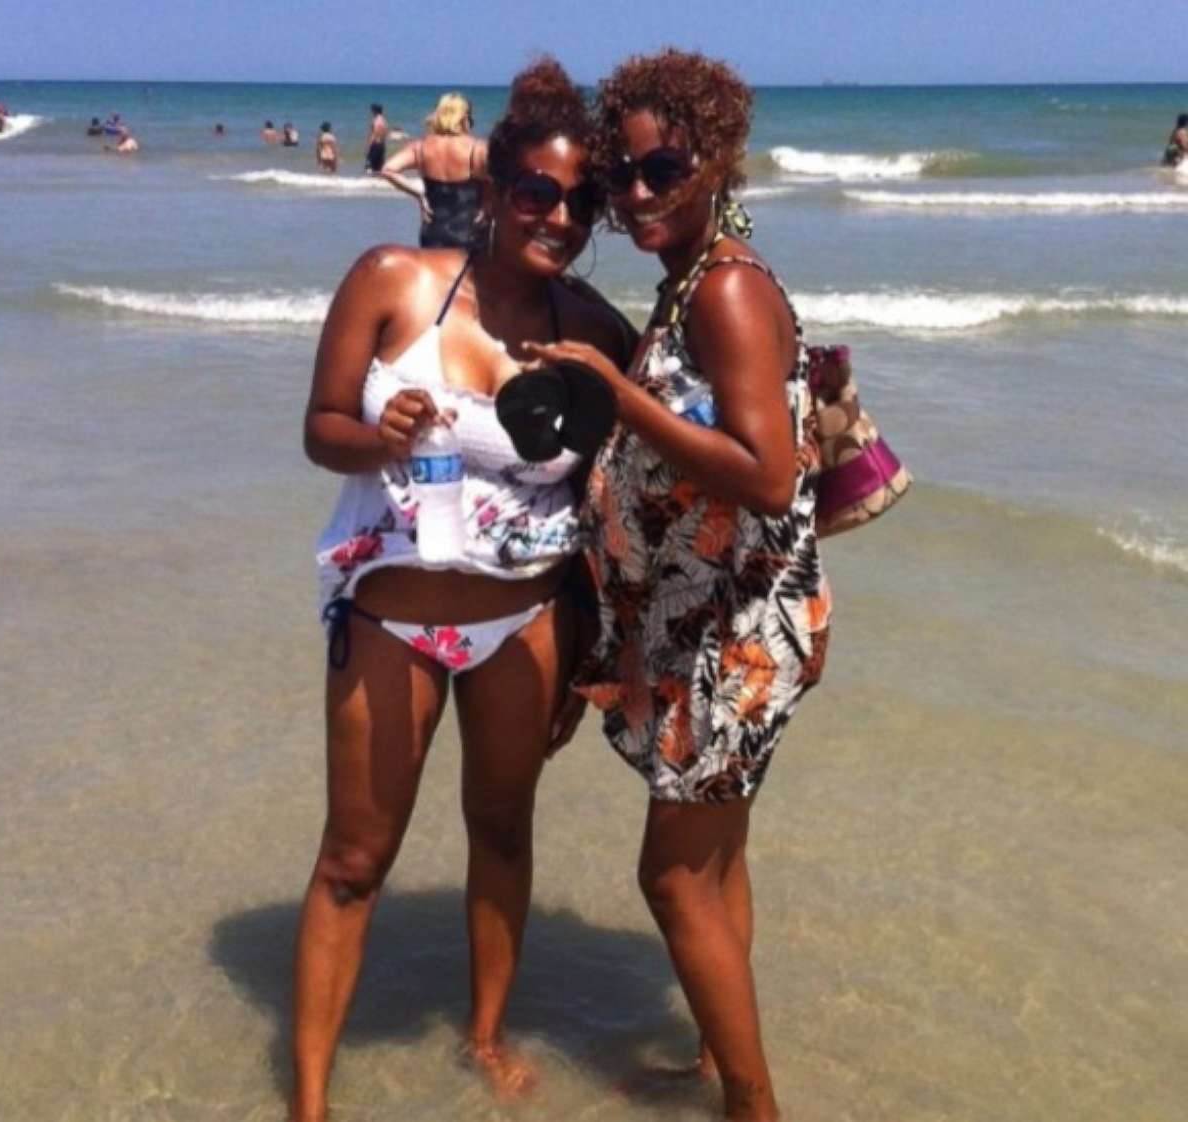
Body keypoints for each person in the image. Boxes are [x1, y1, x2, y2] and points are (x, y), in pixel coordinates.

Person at [291, 58, 633, 1122]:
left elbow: (616, 488)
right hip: (393, 622)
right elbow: (320, 431)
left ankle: (484, 1036)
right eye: (535, 192)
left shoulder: (595, 331)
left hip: (525, 622)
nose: (557, 216)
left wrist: (601, 652)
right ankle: (308, 1098)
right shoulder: (392, 278)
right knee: (354, 857)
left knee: (504, 832)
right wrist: (376, 430)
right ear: (493, 190)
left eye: (580, 201)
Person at [522, 49, 831, 1122]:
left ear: (720, 162)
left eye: (667, 171)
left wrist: (619, 395)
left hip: (736, 634)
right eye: (625, 176)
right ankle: (718, 1058)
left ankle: (754, 1106)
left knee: (672, 878)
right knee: (717, 862)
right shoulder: (695, 281)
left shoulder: (729, 292)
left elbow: (766, 472)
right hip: (713, 624)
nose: (639, 194)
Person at [380, 92, 487, 249]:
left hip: (432, 231)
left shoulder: (420, 147)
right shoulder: (478, 148)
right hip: (469, 231)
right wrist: (487, 206)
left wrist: (419, 195)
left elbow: (387, 170)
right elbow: (503, 179)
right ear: (464, 117)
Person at [364, 102, 388, 172]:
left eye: (372, 110)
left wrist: (368, 146)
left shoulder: (376, 121)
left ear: (375, 111)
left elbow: (374, 134)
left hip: (375, 144)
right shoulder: (384, 120)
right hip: (382, 144)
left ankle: (371, 180)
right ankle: (378, 181)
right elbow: (385, 133)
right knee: (379, 166)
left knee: (370, 166)